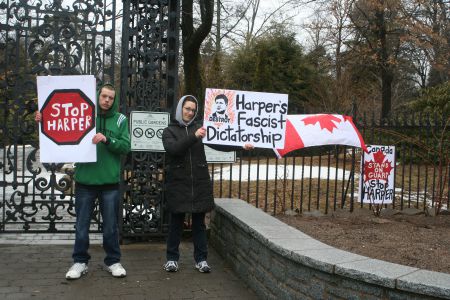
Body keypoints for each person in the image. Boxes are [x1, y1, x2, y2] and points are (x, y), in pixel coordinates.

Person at [35, 83, 130, 279]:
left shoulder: (120, 120)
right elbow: (61, 122)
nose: (107, 100)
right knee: (82, 225)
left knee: (111, 225)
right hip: (85, 181)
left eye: (111, 97)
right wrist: (42, 119)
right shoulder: (85, 114)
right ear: (98, 96)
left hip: (109, 183)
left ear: (115, 100)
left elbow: (125, 146)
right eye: (104, 96)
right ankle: (80, 262)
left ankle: (113, 261)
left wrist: (107, 140)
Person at [162, 95, 253, 273]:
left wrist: (241, 145)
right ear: (180, 108)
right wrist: (194, 136)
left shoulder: (200, 128)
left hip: (199, 182)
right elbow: (174, 149)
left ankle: (201, 259)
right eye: (187, 108)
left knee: (199, 224)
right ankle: (172, 259)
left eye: (193, 110)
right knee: (176, 224)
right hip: (178, 184)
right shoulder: (169, 131)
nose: (189, 112)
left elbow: (220, 143)